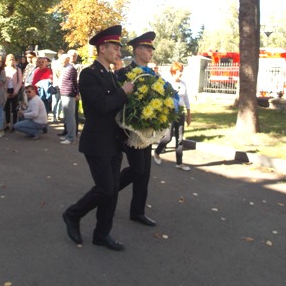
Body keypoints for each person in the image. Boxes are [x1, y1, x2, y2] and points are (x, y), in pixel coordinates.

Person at [62, 25, 133, 251]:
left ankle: (102, 234)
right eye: (115, 48)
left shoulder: (110, 75)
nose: (119, 52)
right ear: (103, 48)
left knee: (112, 191)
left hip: (113, 141)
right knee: (105, 189)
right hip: (97, 142)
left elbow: (116, 106)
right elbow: (102, 105)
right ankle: (73, 214)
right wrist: (124, 92)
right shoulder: (89, 74)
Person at [117, 31, 157, 227]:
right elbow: (119, 101)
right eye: (148, 48)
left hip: (146, 130)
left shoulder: (153, 75)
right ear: (138, 50)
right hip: (129, 130)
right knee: (137, 169)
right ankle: (108, 189)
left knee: (145, 172)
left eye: (151, 49)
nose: (151, 52)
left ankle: (138, 212)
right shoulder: (124, 73)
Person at [153, 62, 192, 171]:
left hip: (180, 112)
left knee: (180, 138)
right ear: (174, 72)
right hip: (170, 112)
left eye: (182, 71)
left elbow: (186, 99)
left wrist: (189, 114)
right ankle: (157, 151)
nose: (181, 73)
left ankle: (179, 162)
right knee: (168, 137)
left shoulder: (183, 84)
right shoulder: (168, 83)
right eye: (179, 71)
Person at [60, 53, 79, 145]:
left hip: (69, 94)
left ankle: (71, 138)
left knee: (70, 117)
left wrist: (76, 94)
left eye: (62, 60)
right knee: (67, 117)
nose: (61, 62)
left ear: (67, 59)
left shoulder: (71, 69)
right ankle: (69, 135)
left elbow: (74, 83)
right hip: (65, 93)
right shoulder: (66, 68)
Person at [4, 53, 23, 130]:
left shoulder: (18, 70)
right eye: (9, 60)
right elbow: (2, 82)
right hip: (6, 89)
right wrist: (5, 92)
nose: (11, 61)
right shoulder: (4, 70)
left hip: (14, 89)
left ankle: (15, 124)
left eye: (12, 60)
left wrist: (15, 91)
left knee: (15, 108)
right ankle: (8, 123)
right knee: (7, 108)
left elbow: (20, 81)